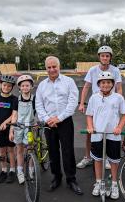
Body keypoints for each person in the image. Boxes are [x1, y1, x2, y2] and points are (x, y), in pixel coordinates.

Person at [35, 56, 83, 195]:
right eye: (49, 67)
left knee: (68, 151)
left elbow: (72, 102)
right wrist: (47, 119)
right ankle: (56, 177)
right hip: (49, 123)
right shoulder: (42, 86)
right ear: (46, 69)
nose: (52, 69)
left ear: (59, 66)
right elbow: (39, 105)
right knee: (53, 151)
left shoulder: (69, 82)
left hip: (65, 121)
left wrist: (59, 118)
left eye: (54, 66)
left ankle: (71, 179)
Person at [77, 45, 123, 170]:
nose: (105, 58)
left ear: (110, 58)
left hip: (110, 104)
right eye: (102, 56)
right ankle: (88, 157)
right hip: (96, 104)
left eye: (107, 56)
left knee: (109, 131)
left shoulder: (115, 70)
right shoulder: (93, 70)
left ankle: (107, 157)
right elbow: (86, 87)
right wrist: (81, 103)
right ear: (99, 57)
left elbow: (118, 88)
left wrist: (119, 103)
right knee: (90, 131)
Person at [86, 71, 125, 199]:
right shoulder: (94, 98)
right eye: (103, 82)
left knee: (114, 160)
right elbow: (89, 115)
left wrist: (119, 127)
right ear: (99, 84)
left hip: (113, 134)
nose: (106, 84)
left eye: (109, 82)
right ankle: (99, 182)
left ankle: (114, 183)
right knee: (98, 159)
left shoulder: (118, 98)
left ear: (113, 84)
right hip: (97, 134)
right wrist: (90, 127)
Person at [9, 74, 35, 184]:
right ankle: (20, 171)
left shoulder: (34, 99)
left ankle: (30, 170)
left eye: (27, 85)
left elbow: (37, 112)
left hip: (30, 127)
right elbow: (14, 115)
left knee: (30, 148)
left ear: (31, 87)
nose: (25, 87)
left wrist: (37, 123)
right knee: (19, 150)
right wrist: (11, 129)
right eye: (23, 85)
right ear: (19, 87)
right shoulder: (16, 100)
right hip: (18, 127)